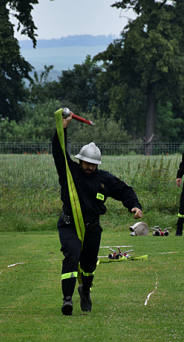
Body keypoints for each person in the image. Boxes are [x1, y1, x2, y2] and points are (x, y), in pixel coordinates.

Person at [52, 112, 143, 315]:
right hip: (70, 226)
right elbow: (59, 151)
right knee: (72, 256)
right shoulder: (70, 173)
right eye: (87, 163)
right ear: (81, 161)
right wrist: (63, 127)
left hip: (92, 228)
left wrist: (134, 206)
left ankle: (85, 290)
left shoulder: (104, 180)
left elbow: (124, 190)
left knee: (89, 266)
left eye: (94, 165)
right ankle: (67, 299)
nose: (90, 167)